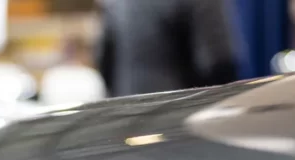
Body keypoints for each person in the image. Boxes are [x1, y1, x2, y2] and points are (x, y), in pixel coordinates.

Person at [95, 0, 242, 97]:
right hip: (180, 118)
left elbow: (104, 62)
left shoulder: (116, 3)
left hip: (125, 115)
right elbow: (219, 63)